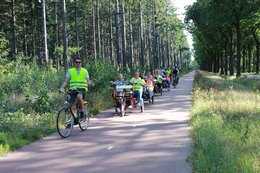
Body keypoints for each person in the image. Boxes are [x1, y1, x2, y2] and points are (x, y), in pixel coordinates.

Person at [59, 57, 92, 124]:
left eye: (79, 62)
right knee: (70, 104)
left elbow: (88, 80)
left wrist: (90, 83)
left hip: (82, 89)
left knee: (79, 97)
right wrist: (61, 87)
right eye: (77, 62)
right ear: (74, 63)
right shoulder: (70, 71)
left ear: (81, 63)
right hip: (73, 89)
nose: (78, 63)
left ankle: (82, 112)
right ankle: (72, 120)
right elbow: (66, 81)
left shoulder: (84, 71)